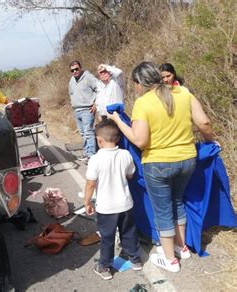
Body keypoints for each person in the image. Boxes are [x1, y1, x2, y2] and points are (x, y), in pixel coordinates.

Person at [108, 62, 216, 273]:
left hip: (158, 164)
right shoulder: (183, 93)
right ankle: (181, 247)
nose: (136, 88)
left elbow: (140, 141)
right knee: (178, 202)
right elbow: (204, 123)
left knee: (163, 210)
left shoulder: (143, 103)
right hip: (187, 160)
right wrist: (211, 141)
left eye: (135, 84)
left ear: (140, 82)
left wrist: (118, 121)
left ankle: (170, 260)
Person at [84, 118, 142, 280]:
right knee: (129, 232)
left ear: (99, 140)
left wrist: (87, 202)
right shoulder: (125, 154)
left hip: (106, 208)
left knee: (107, 237)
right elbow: (130, 174)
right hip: (125, 205)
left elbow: (90, 184)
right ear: (117, 138)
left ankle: (104, 267)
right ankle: (136, 260)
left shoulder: (95, 159)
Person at [68, 60, 100, 161]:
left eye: (76, 69)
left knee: (88, 132)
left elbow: (99, 88)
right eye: (72, 70)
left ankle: (92, 155)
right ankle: (86, 153)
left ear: (80, 68)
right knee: (83, 133)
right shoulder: (71, 80)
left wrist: (96, 103)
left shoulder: (88, 77)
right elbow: (71, 93)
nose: (75, 72)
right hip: (77, 110)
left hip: (87, 109)